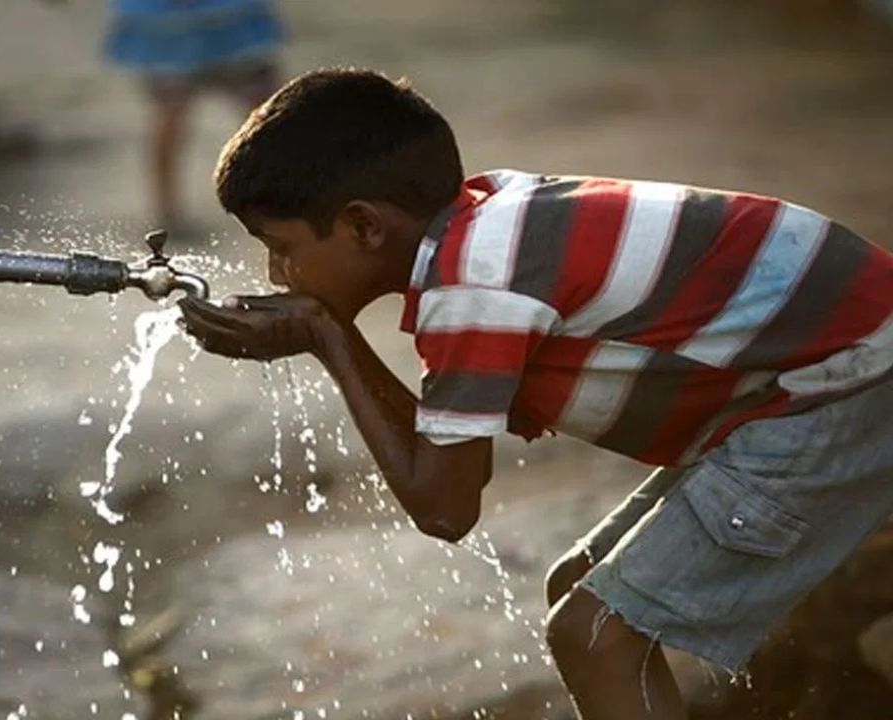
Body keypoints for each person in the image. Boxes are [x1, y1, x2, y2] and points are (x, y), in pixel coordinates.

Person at [177, 68, 893, 719]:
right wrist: (329, 332)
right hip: (828, 369)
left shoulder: (476, 285)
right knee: (579, 585)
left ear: (365, 225)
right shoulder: (484, 223)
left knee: (595, 635)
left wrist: (330, 339)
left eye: (283, 248)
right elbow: (441, 457)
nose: (275, 274)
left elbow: (445, 507)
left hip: (847, 382)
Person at [104, 0, 284, 233]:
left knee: (268, 115)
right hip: (176, 26)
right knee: (172, 114)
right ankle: (167, 211)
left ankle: (280, 200)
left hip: (210, 23)